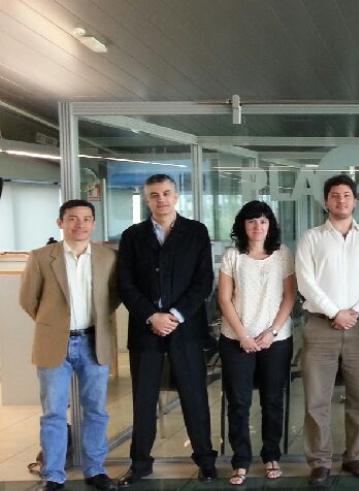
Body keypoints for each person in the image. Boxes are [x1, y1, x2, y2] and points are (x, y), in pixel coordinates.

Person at [116, 174, 218, 486]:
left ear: (176, 196)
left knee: (194, 396)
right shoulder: (132, 236)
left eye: (167, 193)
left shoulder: (196, 232)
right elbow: (125, 284)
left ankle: (205, 461)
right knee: (144, 399)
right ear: (147, 200)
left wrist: (173, 315)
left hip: (185, 329)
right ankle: (140, 464)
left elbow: (203, 282)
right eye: (154, 195)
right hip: (146, 330)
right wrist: (152, 316)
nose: (161, 199)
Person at [19, 200, 120, 491]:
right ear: (60, 222)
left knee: (96, 411)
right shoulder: (41, 257)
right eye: (73, 219)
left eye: (87, 219)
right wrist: (54, 324)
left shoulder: (107, 257)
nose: (80, 225)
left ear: (94, 223)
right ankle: (53, 474)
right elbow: (28, 300)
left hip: (93, 342)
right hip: (54, 343)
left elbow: (113, 297)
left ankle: (95, 470)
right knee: (52, 412)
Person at [295, 174, 359, 485]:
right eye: (335, 195)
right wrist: (335, 313)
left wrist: (355, 312)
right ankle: (320, 461)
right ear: (326, 201)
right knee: (316, 399)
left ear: (355, 201)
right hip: (320, 327)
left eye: (346, 195)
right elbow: (306, 281)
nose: (341, 200)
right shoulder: (311, 238)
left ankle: (355, 457)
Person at [216, 201, 296, 486]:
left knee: (273, 400)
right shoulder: (232, 256)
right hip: (236, 340)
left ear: (270, 225)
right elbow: (224, 299)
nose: (257, 226)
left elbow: (289, 297)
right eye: (251, 221)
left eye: (263, 221)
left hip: (276, 339)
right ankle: (240, 461)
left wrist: (271, 333)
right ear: (242, 226)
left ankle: (271, 455)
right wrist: (244, 336)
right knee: (238, 402)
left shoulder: (283, 254)